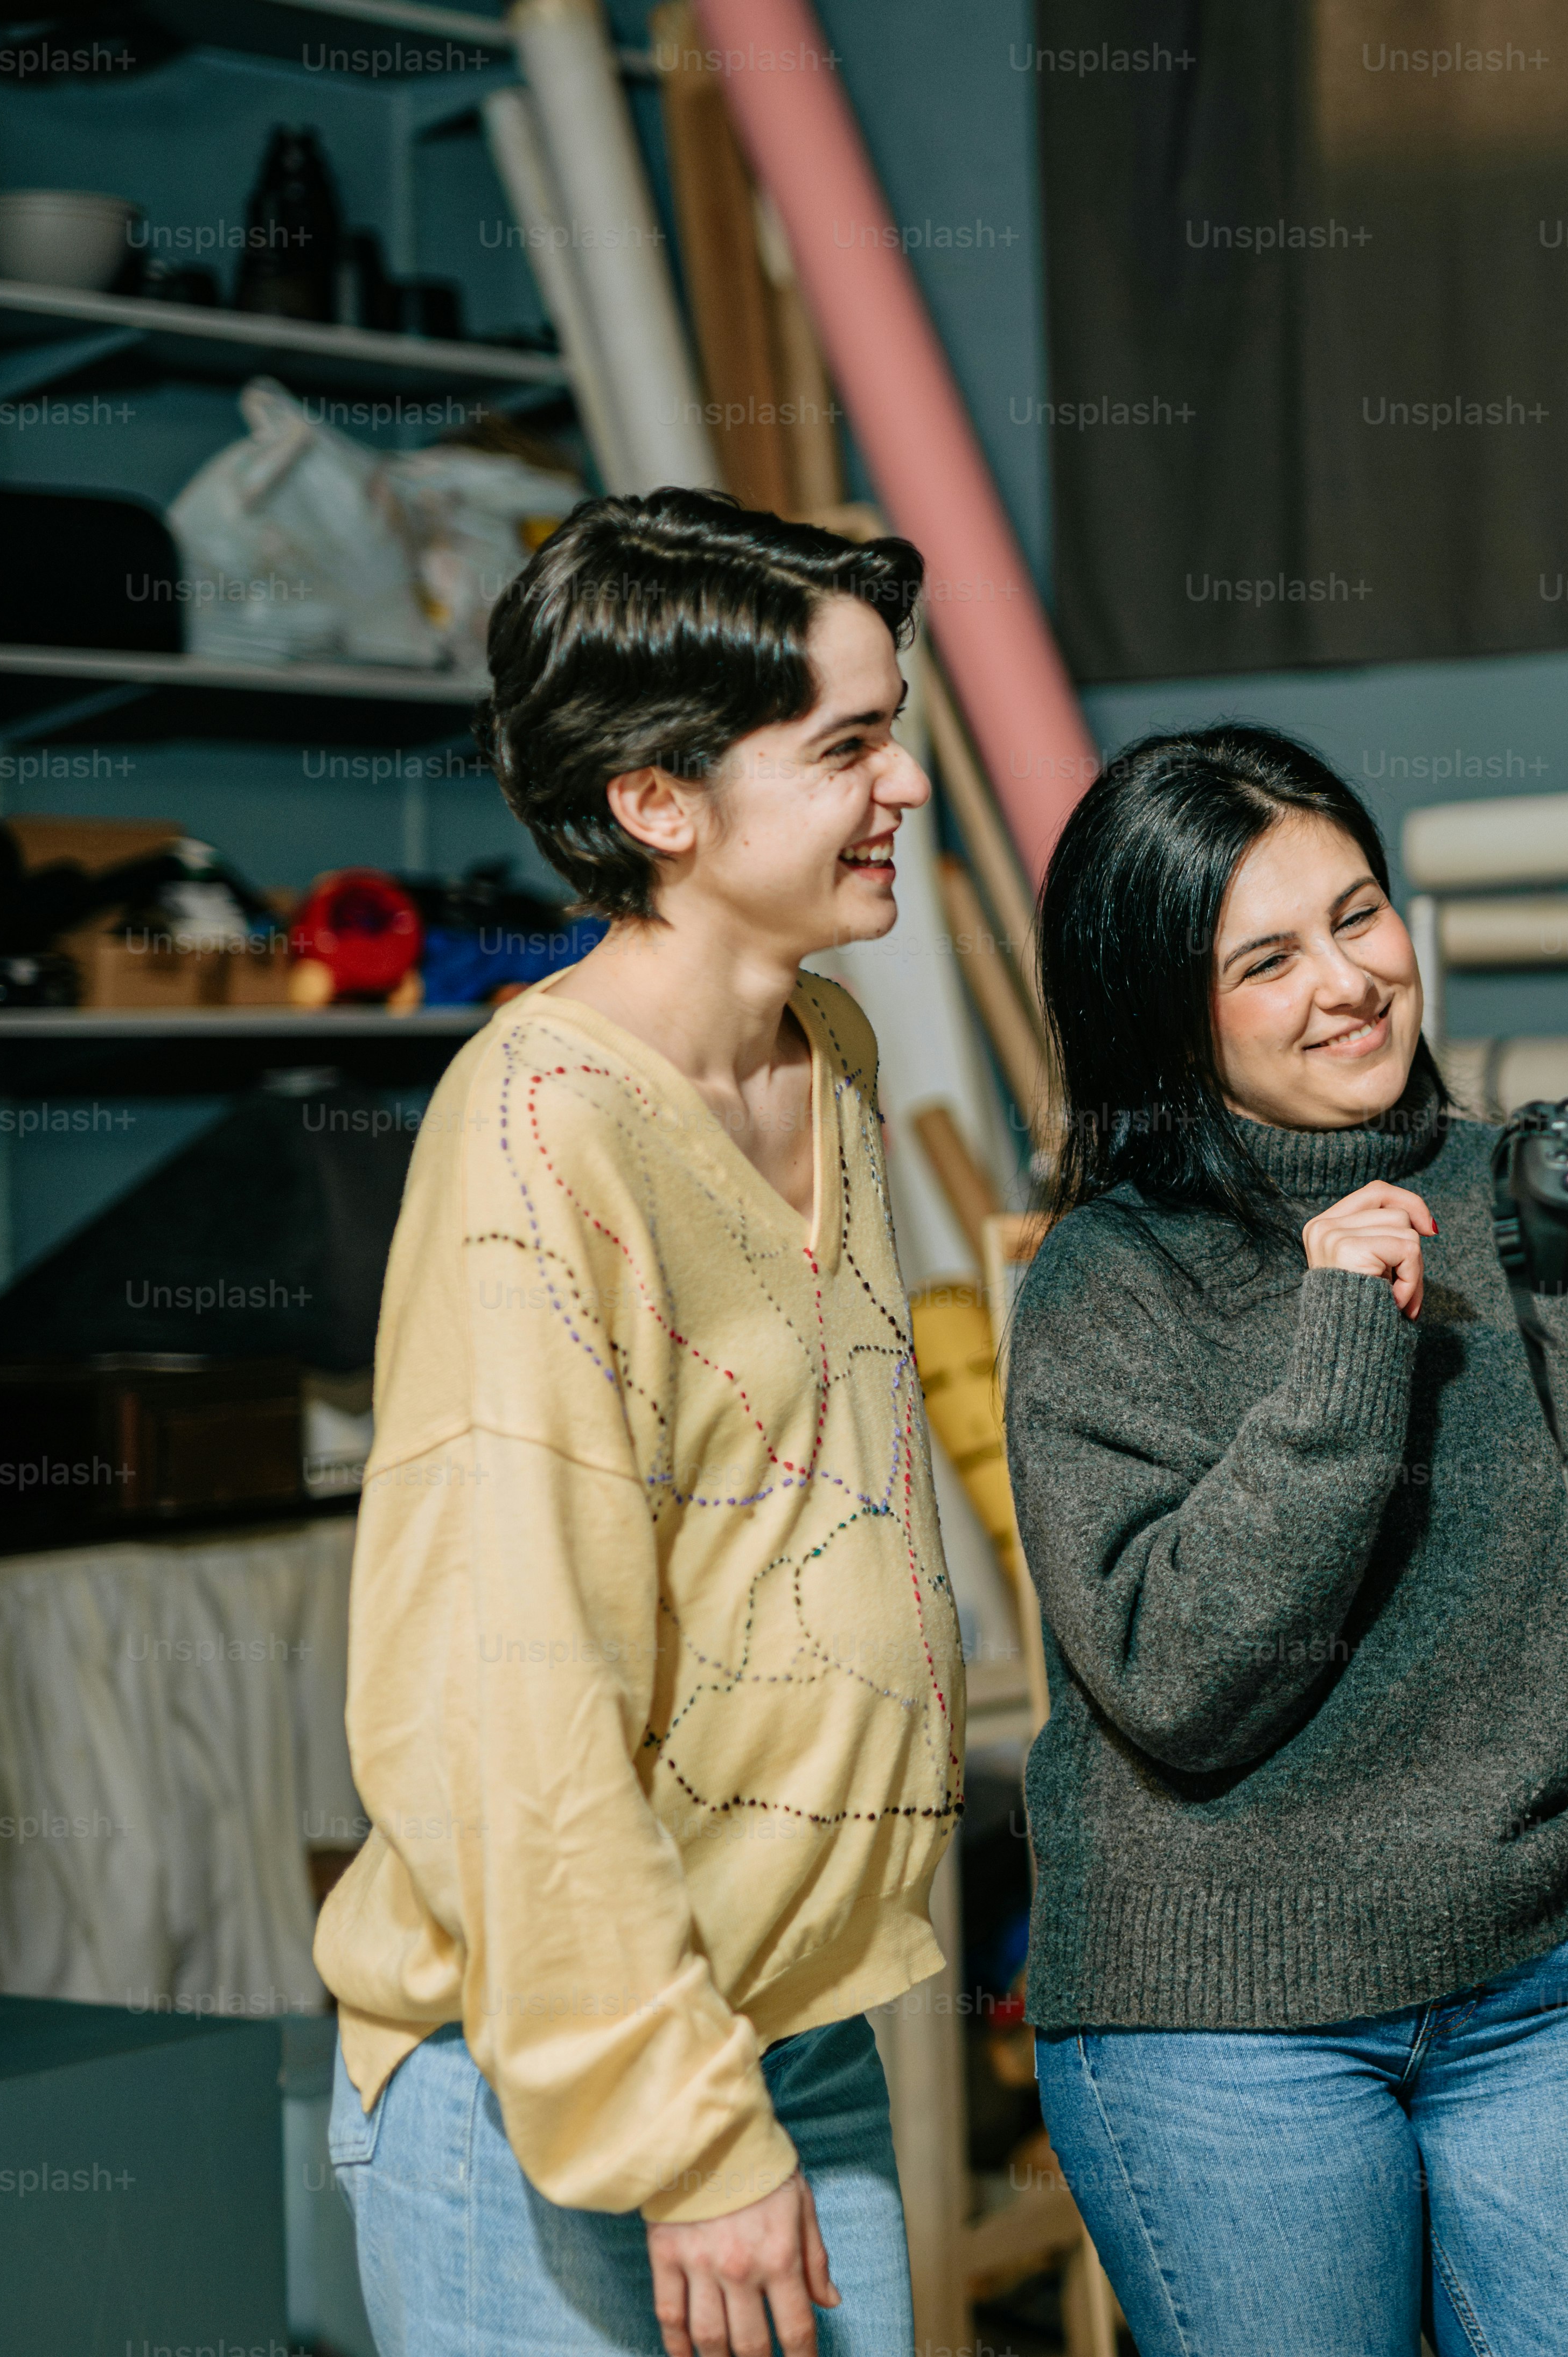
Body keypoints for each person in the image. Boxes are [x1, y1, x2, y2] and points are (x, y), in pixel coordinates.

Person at [1002, 724, 1568, 2357]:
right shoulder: (1108, 1283)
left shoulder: (1549, 1204)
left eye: (1357, 916)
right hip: (1222, 2032)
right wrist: (1343, 1342)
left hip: (1542, 1994)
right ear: (1168, 1015)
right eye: (1266, 961)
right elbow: (1179, 1682)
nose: (1349, 983)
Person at [315, 489, 960, 2357]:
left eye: (898, 728)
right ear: (659, 802)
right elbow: (506, 1688)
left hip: (790, 2032)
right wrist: (677, 2132)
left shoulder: (827, 1056)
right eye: (846, 746)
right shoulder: (541, 1127)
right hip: (569, 2075)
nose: (906, 783)